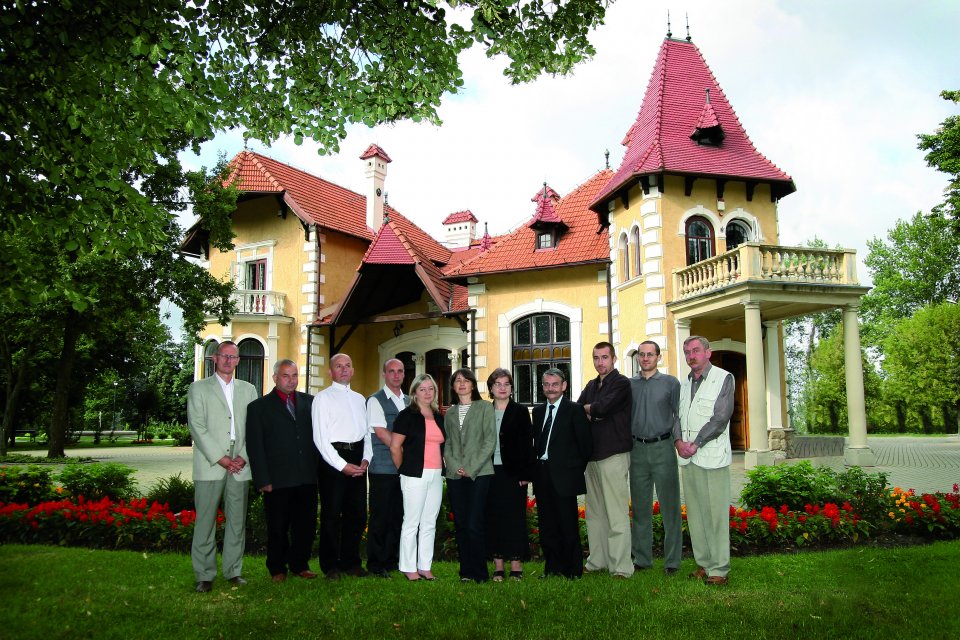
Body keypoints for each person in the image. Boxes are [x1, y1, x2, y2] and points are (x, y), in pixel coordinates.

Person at [187, 340, 258, 593]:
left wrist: (243, 456)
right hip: (210, 463)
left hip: (240, 463)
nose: (229, 360)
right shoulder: (198, 389)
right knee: (205, 521)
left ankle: (233, 571)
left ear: (239, 361)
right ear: (215, 359)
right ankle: (204, 575)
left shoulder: (249, 390)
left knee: (236, 522)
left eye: (233, 357)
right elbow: (197, 427)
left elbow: (254, 428)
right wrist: (221, 458)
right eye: (224, 356)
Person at [246, 359, 319, 582]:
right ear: (275, 378)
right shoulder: (258, 408)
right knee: (277, 527)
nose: (291, 380)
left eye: (295, 375)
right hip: (277, 479)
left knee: (305, 526)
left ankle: (300, 564)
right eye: (286, 376)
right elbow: (255, 446)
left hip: (306, 476)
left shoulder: (311, 403)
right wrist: (262, 479)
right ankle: (277, 568)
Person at [676, 336, 735, 586]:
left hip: (712, 458)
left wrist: (696, 443)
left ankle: (719, 568)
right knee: (696, 515)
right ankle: (703, 563)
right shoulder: (683, 383)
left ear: (708, 352)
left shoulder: (724, 378)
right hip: (688, 460)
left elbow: (721, 418)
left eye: (696, 350)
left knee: (715, 515)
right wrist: (678, 442)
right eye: (687, 351)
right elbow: (675, 416)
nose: (691, 355)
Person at [311, 353, 372, 580]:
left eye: (348, 365)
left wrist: (366, 459)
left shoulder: (359, 399)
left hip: (357, 458)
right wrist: (341, 465)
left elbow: (367, 434)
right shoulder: (322, 399)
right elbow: (320, 438)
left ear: (353, 370)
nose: (344, 369)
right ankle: (331, 565)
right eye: (339, 366)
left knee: (356, 514)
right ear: (330, 372)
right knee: (331, 515)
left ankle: (351, 562)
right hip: (332, 460)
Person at [577, 342, 633, 578]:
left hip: (614, 454)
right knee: (595, 513)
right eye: (596, 358)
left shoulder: (622, 383)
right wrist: (591, 411)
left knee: (616, 512)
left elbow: (603, 407)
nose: (600, 362)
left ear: (614, 359)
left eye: (604, 357)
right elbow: (578, 409)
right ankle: (597, 560)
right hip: (592, 457)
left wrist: (593, 411)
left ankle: (621, 566)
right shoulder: (591, 385)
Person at [628, 340, 683, 575]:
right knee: (640, 508)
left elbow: (679, 415)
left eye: (651, 354)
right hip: (636, 450)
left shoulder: (671, 383)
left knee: (670, 507)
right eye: (642, 354)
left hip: (663, 447)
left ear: (658, 357)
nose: (646, 358)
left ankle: (672, 562)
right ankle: (642, 559)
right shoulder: (629, 385)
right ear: (638, 357)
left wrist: (680, 442)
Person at [532, 368, 592, 579]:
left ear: (564, 386)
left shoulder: (574, 410)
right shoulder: (538, 412)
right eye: (546, 385)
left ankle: (573, 570)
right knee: (547, 525)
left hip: (565, 476)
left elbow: (585, 446)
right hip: (542, 474)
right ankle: (552, 568)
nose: (550, 388)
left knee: (567, 525)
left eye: (554, 384)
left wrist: (572, 469)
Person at [390, 373, 446, 581]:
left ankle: (424, 566)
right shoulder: (407, 416)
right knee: (412, 522)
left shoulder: (438, 416)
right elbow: (395, 447)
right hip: (414, 474)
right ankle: (407, 566)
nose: (427, 393)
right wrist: (404, 470)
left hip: (436, 474)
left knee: (429, 522)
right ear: (414, 393)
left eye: (430, 389)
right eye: (422, 389)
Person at [444, 367, 496, 582]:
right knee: (462, 524)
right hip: (455, 475)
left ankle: (480, 573)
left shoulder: (485, 408)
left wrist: (471, 467)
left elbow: (489, 441)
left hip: (480, 473)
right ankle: (466, 572)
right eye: (457, 380)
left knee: (475, 524)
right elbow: (447, 443)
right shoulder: (450, 412)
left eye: (466, 380)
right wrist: (455, 465)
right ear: (453, 386)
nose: (462, 383)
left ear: (473, 385)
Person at [485, 368, 535, 582]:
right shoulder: (484, 411)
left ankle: (516, 566)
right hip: (488, 471)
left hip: (513, 472)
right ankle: (498, 566)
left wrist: (525, 472)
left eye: (506, 384)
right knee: (494, 517)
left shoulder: (520, 411)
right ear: (491, 388)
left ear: (512, 388)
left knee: (514, 518)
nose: (502, 388)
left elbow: (527, 444)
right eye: (498, 384)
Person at [365, 358, 409, 578]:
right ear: (384, 374)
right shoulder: (375, 400)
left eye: (400, 371)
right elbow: (382, 434)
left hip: (405, 470)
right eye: (391, 371)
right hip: (383, 469)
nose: (396, 375)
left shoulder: (410, 401)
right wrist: (406, 452)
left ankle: (391, 561)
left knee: (398, 516)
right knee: (380, 518)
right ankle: (375, 564)